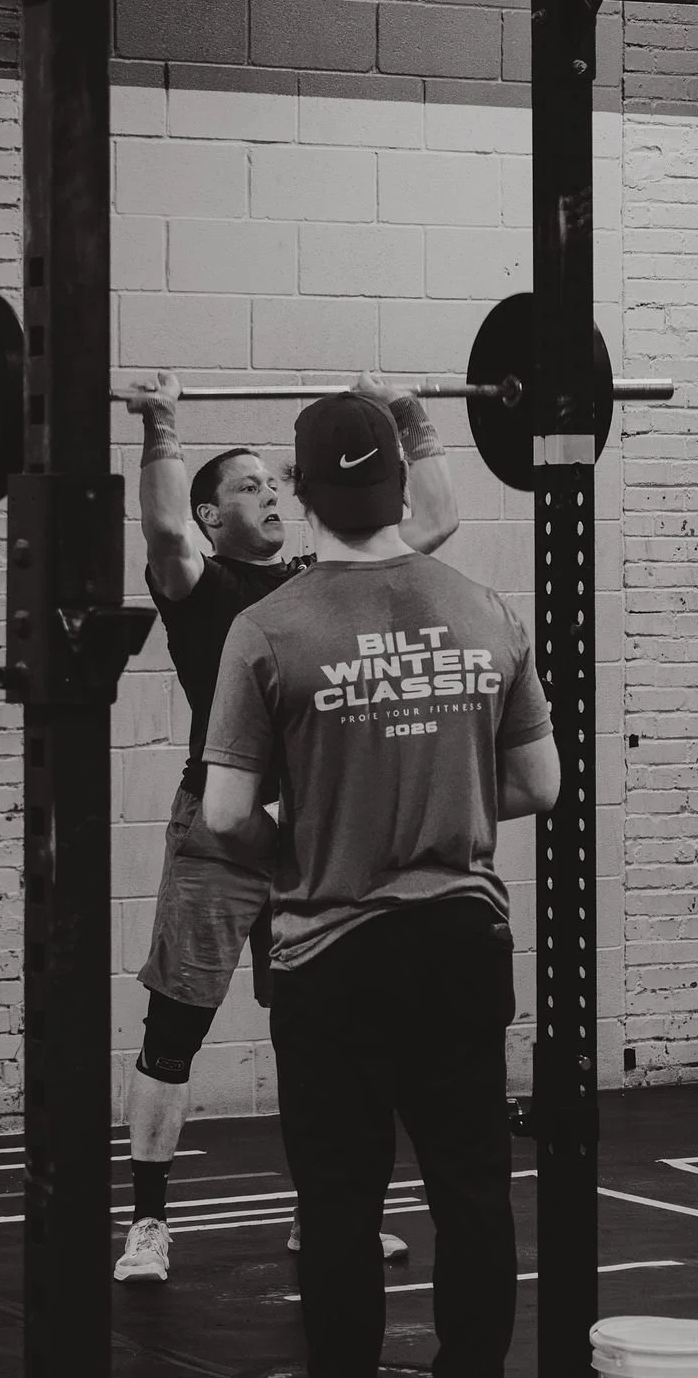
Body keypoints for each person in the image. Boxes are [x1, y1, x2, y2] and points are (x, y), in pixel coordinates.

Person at [200, 390, 561, 1377]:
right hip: (458, 942)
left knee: (340, 1206)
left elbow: (225, 815)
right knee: (473, 1192)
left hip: (331, 957)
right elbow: (540, 783)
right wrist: (439, 793)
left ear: (305, 496)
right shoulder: (484, 611)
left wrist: (320, 833)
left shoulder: (268, 630)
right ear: (401, 486)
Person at [113, 372, 460, 1285]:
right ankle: (149, 1223)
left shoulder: (324, 578)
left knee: (321, 1032)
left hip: (314, 835)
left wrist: (406, 420)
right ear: (212, 517)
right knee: (174, 1028)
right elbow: (159, 530)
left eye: (276, 480)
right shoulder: (204, 585)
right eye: (246, 485)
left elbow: (436, 520)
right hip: (222, 835)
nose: (270, 492)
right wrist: (161, 426)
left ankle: (323, 1216)